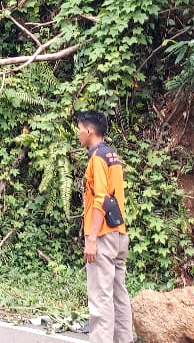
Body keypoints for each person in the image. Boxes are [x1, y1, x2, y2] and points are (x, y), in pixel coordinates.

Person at [76, 109, 132, 343]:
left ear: (89, 131)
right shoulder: (113, 156)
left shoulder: (97, 158)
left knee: (100, 299)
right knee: (119, 294)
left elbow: (101, 199)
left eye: (79, 129)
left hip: (103, 236)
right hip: (119, 234)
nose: (78, 134)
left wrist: (91, 239)